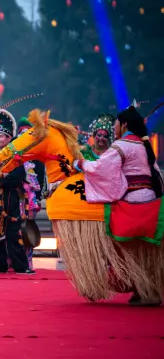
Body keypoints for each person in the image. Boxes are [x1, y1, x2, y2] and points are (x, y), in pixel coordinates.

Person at [73, 104, 163, 305]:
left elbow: (100, 168)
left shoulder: (122, 146)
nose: (113, 130)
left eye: (115, 125)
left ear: (123, 125)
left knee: (107, 240)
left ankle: (111, 282)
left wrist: (80, 164)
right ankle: (146, 289)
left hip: (132, 201)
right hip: (150, 200)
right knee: (144, 253)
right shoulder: (143, 145)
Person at [0, 109, 35, 275]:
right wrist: (1, 175)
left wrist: (0, 179)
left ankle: (20, 266)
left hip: (10, 198)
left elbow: (17, 177)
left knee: (13, 232)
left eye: (1, 136)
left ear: (9, 138)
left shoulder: (16, 158)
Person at [16, 117, 44, 270]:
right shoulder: (13, 154)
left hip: (31, 200)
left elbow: (41, 178)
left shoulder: (37, 156)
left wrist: (38, 198)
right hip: (16, 198)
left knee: (28, 228)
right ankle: (14, 260)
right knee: (14, 229)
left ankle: (28, 261)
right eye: (21, 133)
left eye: (28, 133)